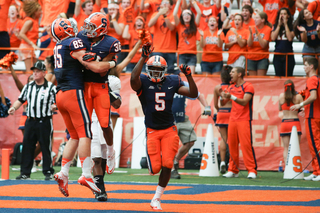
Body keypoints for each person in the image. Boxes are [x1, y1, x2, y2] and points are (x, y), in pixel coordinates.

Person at [51, 17, 116, 197]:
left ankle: (64, 172)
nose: (75, 27)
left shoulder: (58, 46)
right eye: (69, 26)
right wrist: (112, 63)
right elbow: (92, 66)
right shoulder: (74, 42)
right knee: (85, 133)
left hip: (60, 95)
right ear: (65, 31)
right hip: (74, 92)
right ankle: (86, 174)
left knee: (73, 136)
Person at [130, 43, 198, 210]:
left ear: (165, 71)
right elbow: (133, 79)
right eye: (152, 69)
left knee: (168, 164)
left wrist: (189, 76)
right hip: (152, 130)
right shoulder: (143, 81)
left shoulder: (172, 80)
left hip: (169, 129)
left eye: (159, 69)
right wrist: (143, 57)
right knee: (154, 169)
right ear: (147, 69)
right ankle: (156, 190)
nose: (155, 72)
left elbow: (193, 94)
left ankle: (156, 198)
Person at [90, 40, 142, 201]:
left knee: (103, 157)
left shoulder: (113, 79)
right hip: (90, 119)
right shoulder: (89, 73)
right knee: (96, 158)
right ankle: (100, 189)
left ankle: (100, 185)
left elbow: (117, 104)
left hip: (104, 120)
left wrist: (105, 89)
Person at [78, 12, 121, 177]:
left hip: (101, 85)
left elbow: (107, 66)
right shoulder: (82, 38)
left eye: (91, 26)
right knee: (85, 126)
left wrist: (95, 58)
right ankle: (86, 162)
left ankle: (110, 151)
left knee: (105, 124)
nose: (87, 29)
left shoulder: (111, 43)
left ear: (101, 29)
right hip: (85, 85)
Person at [8, 61, 56, 181]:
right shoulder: (28, 87)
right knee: (27, 147)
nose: (35, 74)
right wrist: (13, 107)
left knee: (46, 146)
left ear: (44, 73)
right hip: (30, 120)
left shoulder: (50, 87)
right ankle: (25, 172)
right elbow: (20, 99)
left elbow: (58, 101)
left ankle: (48, 171)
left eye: (37, 71)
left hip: (44, 120)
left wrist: (55, 106)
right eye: (34, 71)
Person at [221, 67, 257, 179]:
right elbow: (223, 103)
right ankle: (233, 169)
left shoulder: (248, 86)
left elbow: (244, 102)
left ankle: (251, 170)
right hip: (232, 119)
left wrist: (231, 96)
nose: (230, 74)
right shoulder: (231, 87)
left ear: (239, 74)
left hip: (244, 119)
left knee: (246, 145)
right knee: (232, 145)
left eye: (233, 72)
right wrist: (222, 95)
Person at [170, 83, 211, 179]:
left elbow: (198, 94)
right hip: (168, 119)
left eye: (177, 74)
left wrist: (207, 106)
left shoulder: (182, 84)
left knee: (190, 141)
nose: (175, 77)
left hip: (182, 118)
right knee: (169, 145)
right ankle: (171, 169)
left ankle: (176, 161)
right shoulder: (161, 84)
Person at [291, 57, 320, 182]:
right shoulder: (316, 79)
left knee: (315, 144)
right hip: (313, 114)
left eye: (306, 65)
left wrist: (300, 105)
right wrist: (306, 107)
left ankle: (318, 171)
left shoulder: (312, 80)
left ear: (311, 66)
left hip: (313, 116)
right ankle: (315, 170)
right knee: (314, 145)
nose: (304, 67)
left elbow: (313, 96)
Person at [148, 0, 178, 74]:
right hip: (157, 49)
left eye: (167, 2)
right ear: (160, 5)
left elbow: (171, 28)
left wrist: (165, 16)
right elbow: (149, 24)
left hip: (170, 50)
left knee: (169, 72)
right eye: (163, 2)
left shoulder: (173, 15)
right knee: (156, 71)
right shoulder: (155, 14)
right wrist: (159, 14)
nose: (164, 4)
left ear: (171, 6)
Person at [278, 80, 303, 166]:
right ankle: (295, 167)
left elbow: (279, 108)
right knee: (296, 147)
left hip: (285, 122)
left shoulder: (281, 96)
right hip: (295, 123)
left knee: (286, 148)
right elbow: (303, 108)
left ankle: (287, 167)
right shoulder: (298, 97)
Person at [213, 65, 233, 174]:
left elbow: (216, 105)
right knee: (232, 139)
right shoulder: (234, 87)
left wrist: (220, 110)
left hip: (221, 113)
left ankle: (222, 162)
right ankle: (231, 162)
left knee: (223, 138)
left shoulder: (217, 88)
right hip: (232, 113)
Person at [173, 0, 201, 75]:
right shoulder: (179, 25)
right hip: (181, 53)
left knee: (191, 75)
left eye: (188, 14)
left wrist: (193, 2)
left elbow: (199, 13)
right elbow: (174, 14)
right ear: (182, 16)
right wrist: (178, 2)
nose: (186, 16)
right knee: (182, 76)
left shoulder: (194, 25)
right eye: (184, 14)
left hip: (192, 54)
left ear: (191, 16)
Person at [271, 8, 295, 77]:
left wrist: (285, 25)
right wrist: (279, 25)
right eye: (281, 14)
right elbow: (273, 38)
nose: (282, 16)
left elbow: (290, 38)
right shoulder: (275, 26)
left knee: (288, 75)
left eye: (284, 14)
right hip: (278, 54)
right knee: (278, 76)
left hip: (288, 54)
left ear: (288, 16)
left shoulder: (291, 26)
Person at [18, 1, 42, 72]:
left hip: (30, 47)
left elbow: (31, 32)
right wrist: (32, 44)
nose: (41, 12)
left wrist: (42, 31)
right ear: (35, 12)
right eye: (40, 10)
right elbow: (21, 33)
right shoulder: (29, 21)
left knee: (35, 70)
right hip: (26, 47)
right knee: (30, 71)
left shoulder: (33, 21)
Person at [247, 12, 272, 76]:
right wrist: (250, 34)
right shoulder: (251, 28)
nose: (255, 20)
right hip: (251, 57)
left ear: (263, 20)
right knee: (253, 80)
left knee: (260, 80)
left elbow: (263, 45)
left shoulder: (267, 29)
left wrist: (258, 34)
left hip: (262, 58)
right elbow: (249, 44)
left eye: (257, 18)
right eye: (254, 18)